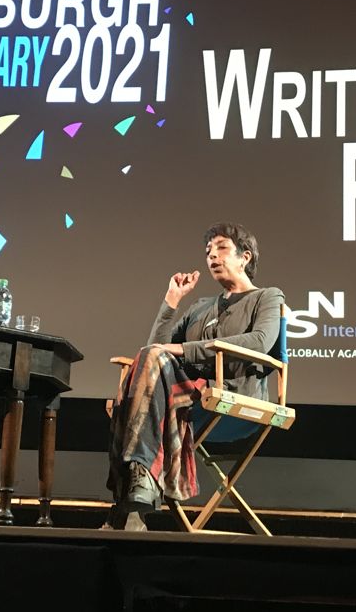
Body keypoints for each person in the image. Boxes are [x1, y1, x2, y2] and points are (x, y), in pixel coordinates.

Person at [106, 222, 284, 530]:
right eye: (208, 251)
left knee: (137, 399)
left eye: (222, 248)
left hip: (233, 394)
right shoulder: (201, 307)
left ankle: (128, 507)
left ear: (245, 257)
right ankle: (136, 503)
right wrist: (171, 301)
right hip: (188, 397)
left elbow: (260, 341)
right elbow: (154, 350)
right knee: (146, 370)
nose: (212, 255)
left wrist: (184, 349)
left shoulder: (267, 297)